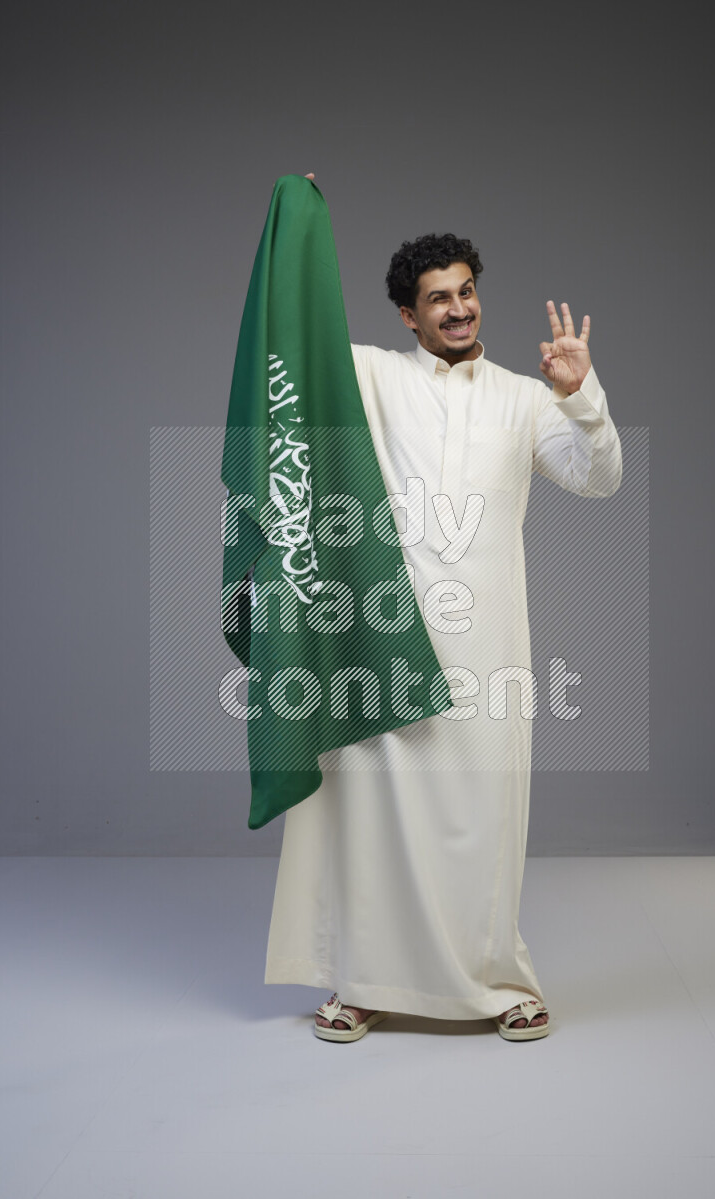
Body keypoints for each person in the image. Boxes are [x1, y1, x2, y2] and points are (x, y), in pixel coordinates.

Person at [263, 175, 623, 1042]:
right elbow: (294, 336)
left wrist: (581, 393)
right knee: (375, 821)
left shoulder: (522, 397)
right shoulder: (374, 378)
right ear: (406, 315)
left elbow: (600, 477)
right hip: (385, 640)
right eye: (437, 300)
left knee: (484, 822)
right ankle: (363, 980)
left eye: (466, 292)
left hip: (491, 649)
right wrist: (303, 220)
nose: (458, 310)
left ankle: (501, 981)